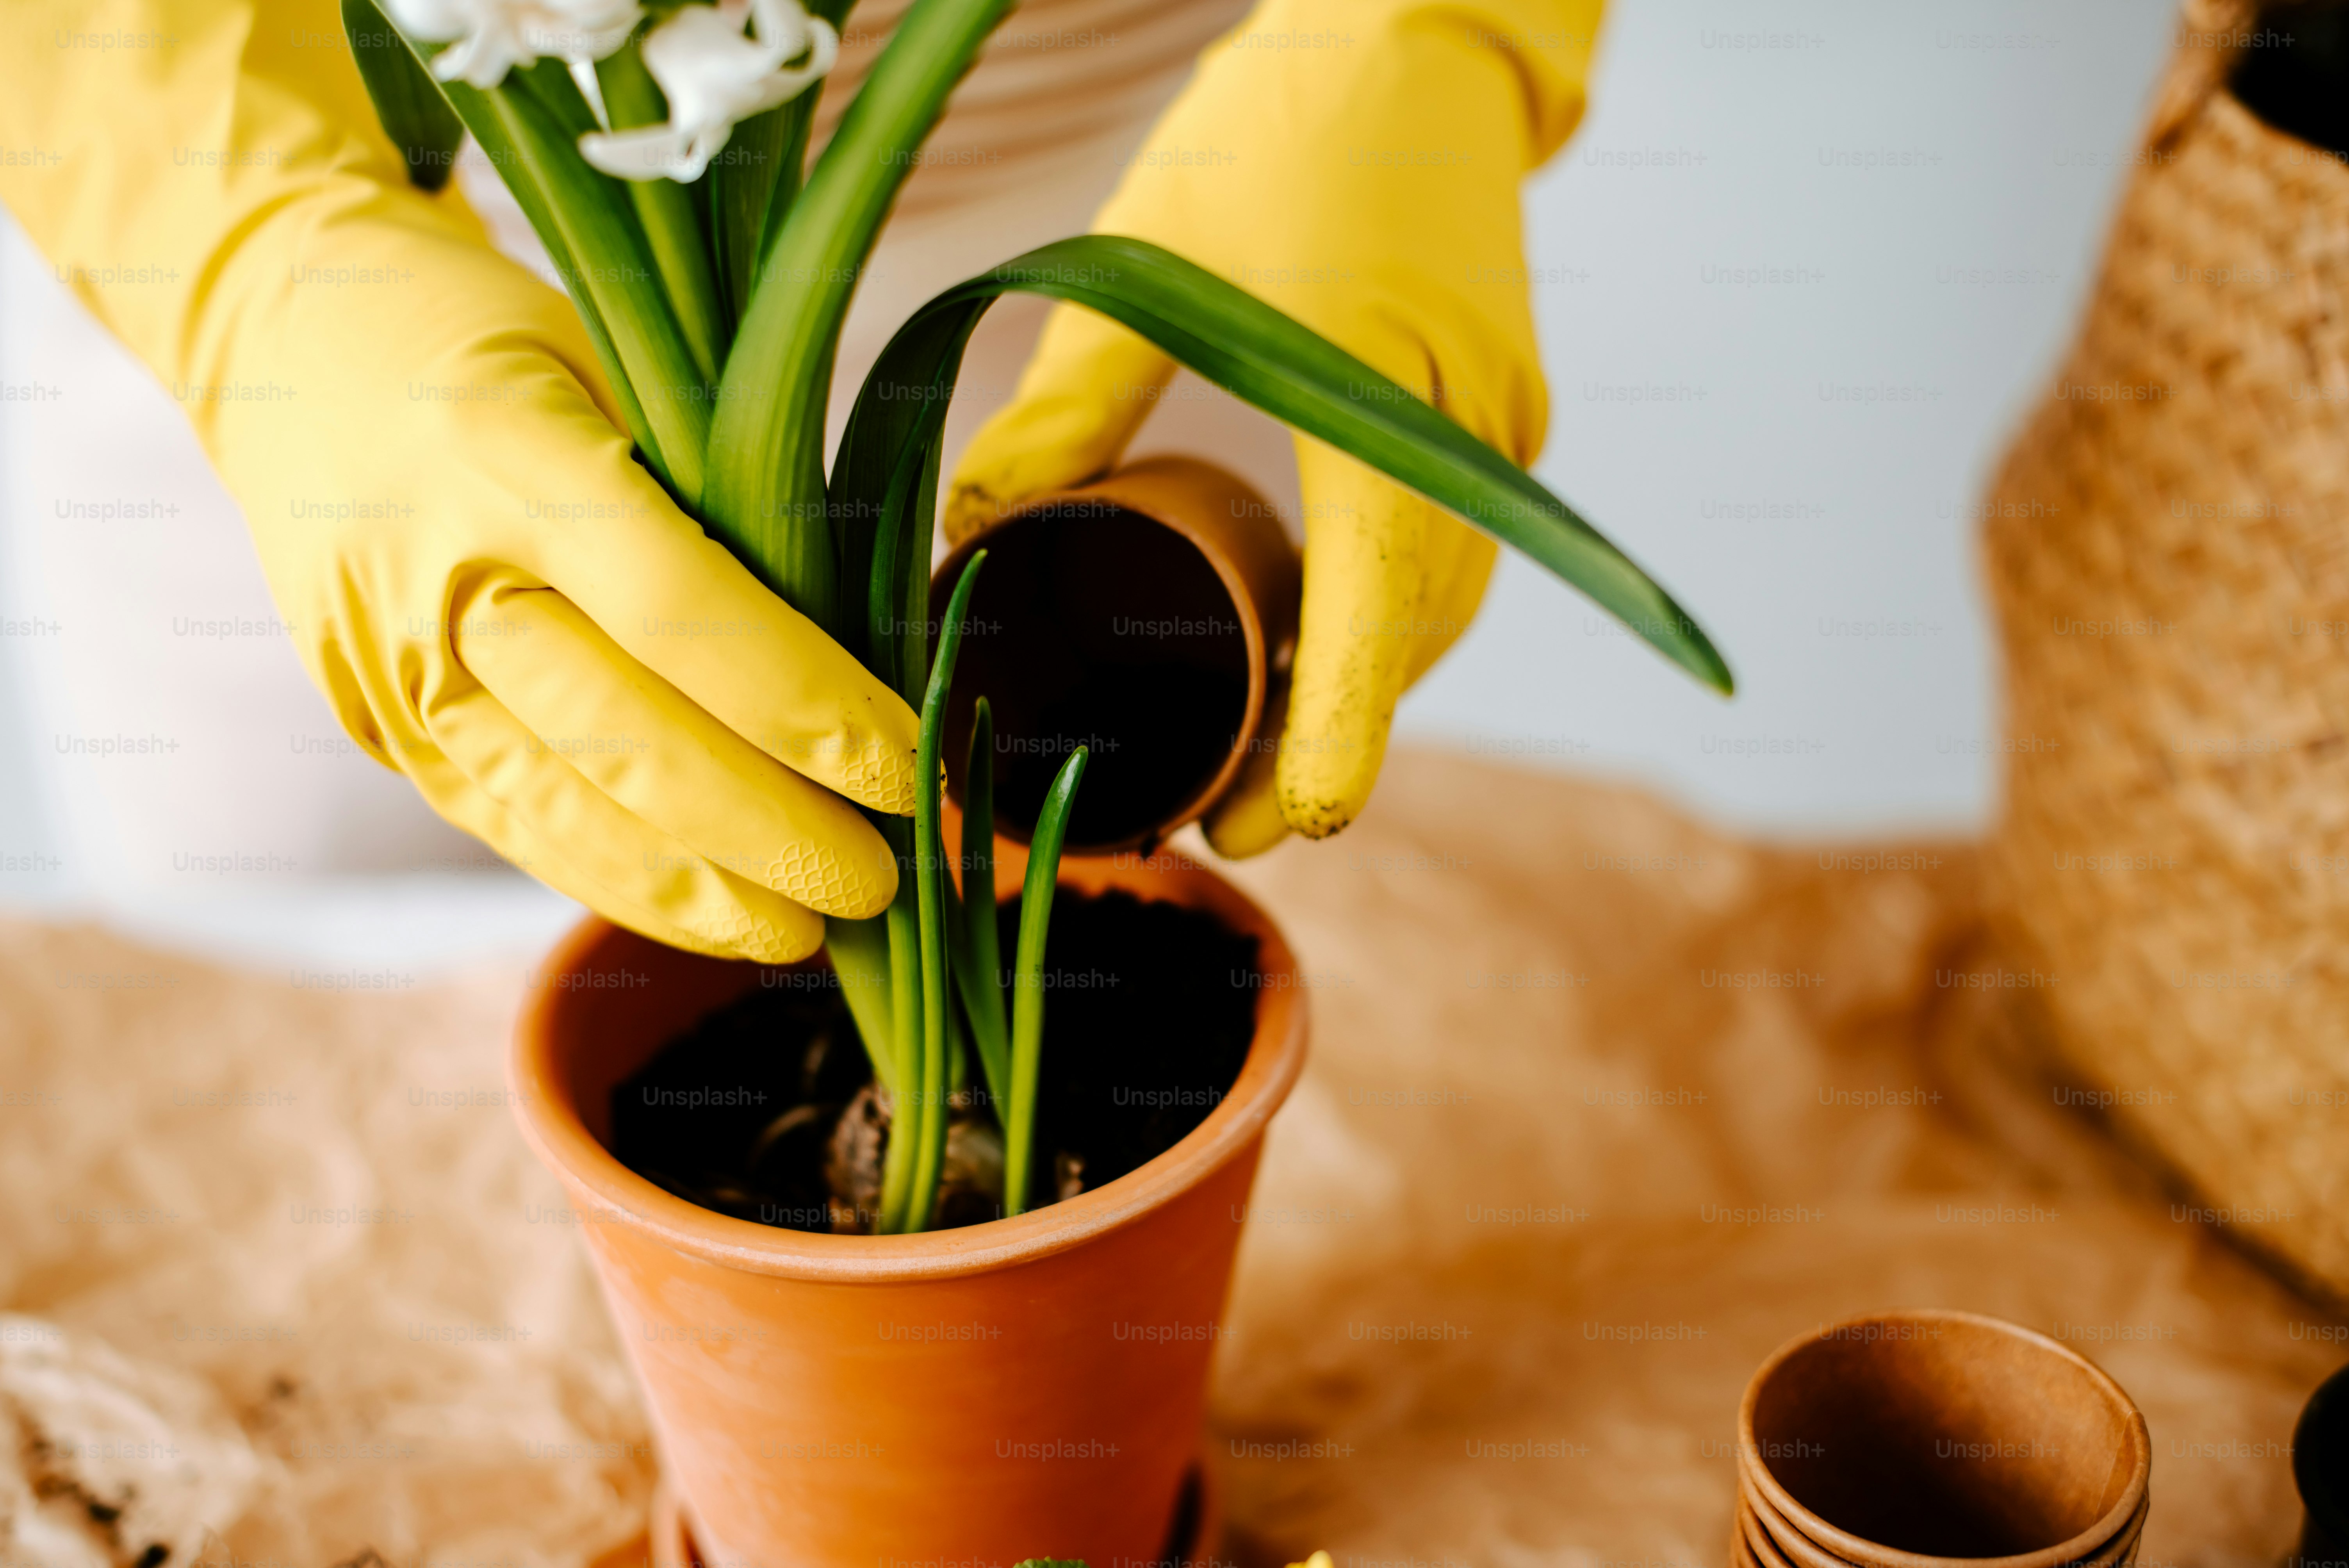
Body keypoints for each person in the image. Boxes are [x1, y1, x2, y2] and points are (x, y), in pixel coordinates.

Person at [0, 0, 1602, 962]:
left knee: (1115, 888)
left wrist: (1419, 39)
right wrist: (236, 241)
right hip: (341, 290)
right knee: (292, 973)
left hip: (1176, 207)